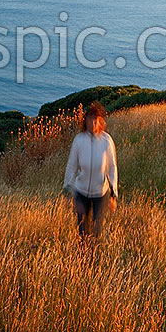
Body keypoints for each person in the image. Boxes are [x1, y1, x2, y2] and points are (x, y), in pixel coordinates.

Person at [62, 101, 118, 240]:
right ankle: (83, 260)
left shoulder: (106, 140)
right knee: (82, 232)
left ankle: (95, 259)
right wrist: (66, 188)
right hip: (81, 193)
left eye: (96, 120)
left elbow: (112, 167)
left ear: (101, 122)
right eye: (90, 119)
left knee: (97, 231)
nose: (93, 123)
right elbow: (71, 166)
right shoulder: (79, 140)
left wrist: (113, 194)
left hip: (100, 194)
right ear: (85, 121)